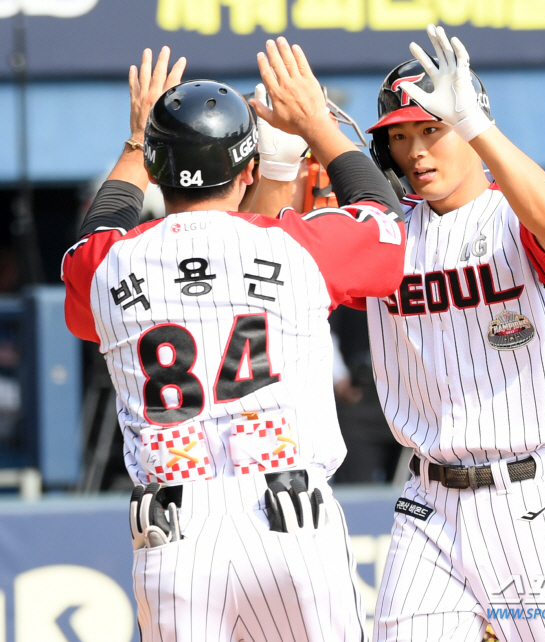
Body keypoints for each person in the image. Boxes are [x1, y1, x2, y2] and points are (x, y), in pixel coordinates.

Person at [62, 39, 405, 641]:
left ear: (158, 174)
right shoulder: (295, 246)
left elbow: (93, 235)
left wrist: (137, 143)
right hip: (290, 520)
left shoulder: (110, 263)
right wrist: (317, 127)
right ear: (246, 172)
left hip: (173, 531)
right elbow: (382, 220)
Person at [359, 25, 545, 641]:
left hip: (529, 499)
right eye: (400, 137)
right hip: (427, 502)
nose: (416, 152)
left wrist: (478, 127)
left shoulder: (518, 214)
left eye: (432, 130)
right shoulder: (386, 235)